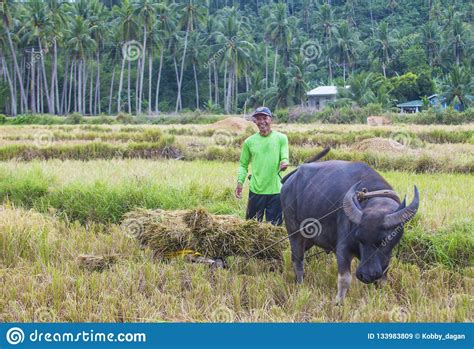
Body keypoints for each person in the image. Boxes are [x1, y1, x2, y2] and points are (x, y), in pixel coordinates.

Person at [235, 107, 289, 226]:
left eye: (265, 118)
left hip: (275, 191)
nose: (261, 121)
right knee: (251, 228)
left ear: (271, 119)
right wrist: (240, 182)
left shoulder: (281, 138)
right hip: (256, 191)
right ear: (255, 121)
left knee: (274, 229)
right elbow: (243, 165)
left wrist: (284, 163)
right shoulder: (249, 142)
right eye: (258, 119)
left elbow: (285, 157)